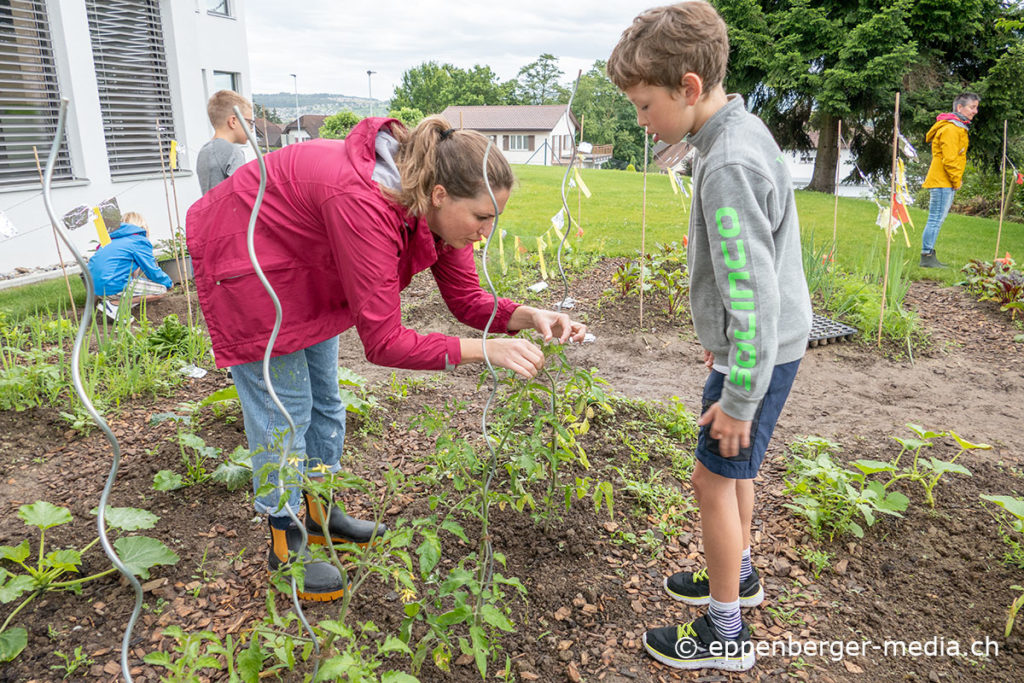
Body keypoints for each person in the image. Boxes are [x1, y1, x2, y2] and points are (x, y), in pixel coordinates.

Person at [186, 114, 587, 601]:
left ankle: (318, 514)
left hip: (308, 262)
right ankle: (285, 541)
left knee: (327, 403)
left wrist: (530, 315)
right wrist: (486, 350)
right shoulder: (365, 200)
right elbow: (384, 342)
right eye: (482, 218)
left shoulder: (436, 208)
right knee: (285, 411)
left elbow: (467, 301)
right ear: (440, 196)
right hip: (248, 261)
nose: (485, 233)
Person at [608, 1, 812, 672]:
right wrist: (724, 343)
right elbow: (748, 281)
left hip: (757, 355)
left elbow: (751, 294)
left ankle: (726, 632)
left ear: (688, 88)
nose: (640, 120)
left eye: (643, 105)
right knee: (736, 470)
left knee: (711, 479)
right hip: (755, 347)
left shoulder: (726, 166)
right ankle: (741, 574)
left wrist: (740, 395)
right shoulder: (740, 134)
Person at [920, 92, 980, 268]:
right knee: (935, 218)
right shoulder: (951, 129)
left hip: (944, 181)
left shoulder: (956, 127)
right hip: (942, 181)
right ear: (959, 108)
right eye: (972, 107)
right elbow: (950, 159)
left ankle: (928, 254)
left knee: (937, 218)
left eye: (976, 107)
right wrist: (956, 180)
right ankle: (927, 255)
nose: (975, 111)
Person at [87, 211, 173, 321]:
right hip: (112, 287)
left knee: (134, 280)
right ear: (142, 226)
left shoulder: (110, 240)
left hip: (95, 288)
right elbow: (151, 270)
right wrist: (168, 283)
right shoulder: (138, 241)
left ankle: (109, 306)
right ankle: (114, 304)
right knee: (161, 290)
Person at [196, 90, 251, 195]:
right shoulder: (233, 151)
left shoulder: (204, 151)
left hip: (211, 211)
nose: (251, 129)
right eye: (250, 122)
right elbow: (243, 193)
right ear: (233, 121)